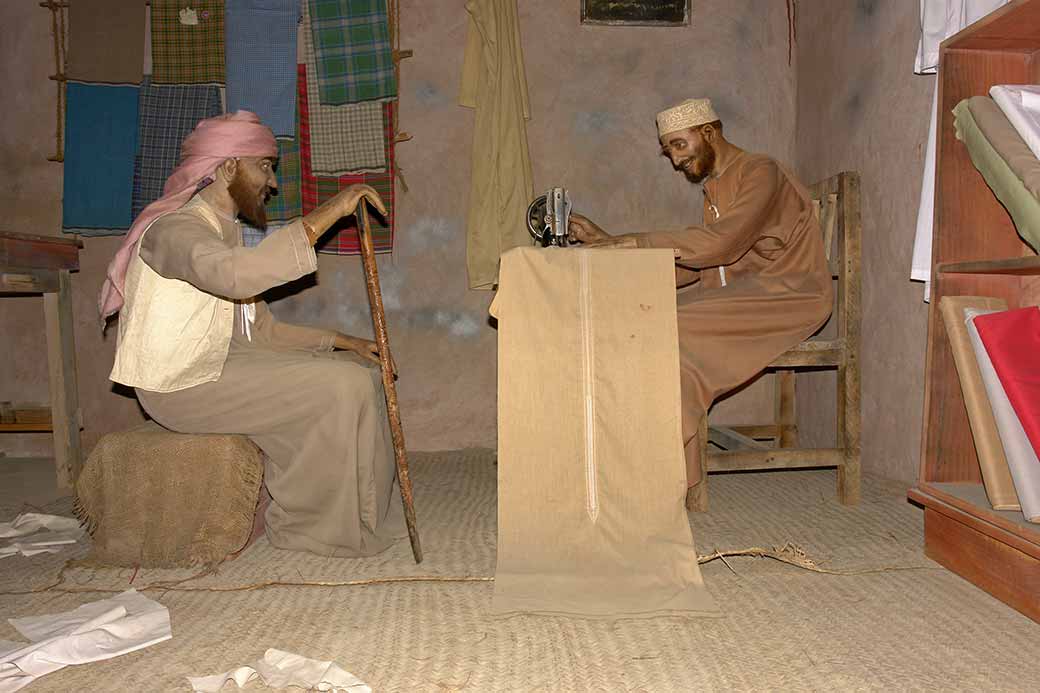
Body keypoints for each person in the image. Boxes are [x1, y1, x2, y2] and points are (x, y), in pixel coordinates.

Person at [101, 111, 404, 556]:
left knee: (362, 372)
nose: (273, 183)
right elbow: (235, 276)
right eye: (264, 166)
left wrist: (347, 342)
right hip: (180, 385)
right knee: (342, 385)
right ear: (228, 167)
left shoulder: (223, 233)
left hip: (224, 366)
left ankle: (366, 514)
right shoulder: (173, 230)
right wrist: (329, 212)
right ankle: (313, 528)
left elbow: (261, 331)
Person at [568, 98, 833, 509]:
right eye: (669, 150)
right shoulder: (716, 188)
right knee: (649, 323)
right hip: (745, 294)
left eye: (679, 145)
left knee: (666, 329)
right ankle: (668, 475)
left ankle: (655, 478)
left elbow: (720, 244)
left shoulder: (761, 171)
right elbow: (699, 264)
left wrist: (631, 243)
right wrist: (609, 244)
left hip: (790, 294)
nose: (676, 160)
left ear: (709, 132)